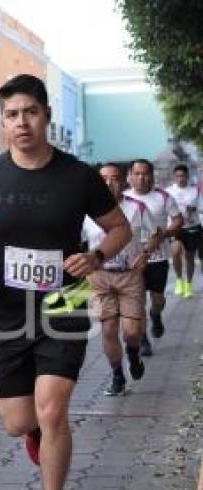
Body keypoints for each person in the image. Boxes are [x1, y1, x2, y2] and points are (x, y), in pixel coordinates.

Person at [0, 74, 131, 490]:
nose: (21, 122)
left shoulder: (77, 176)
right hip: (8, 310)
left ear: (46, 115)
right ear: (3, 123)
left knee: (53, 411)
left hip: (63, 303)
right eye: (11, 115)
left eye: (29, 112)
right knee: (18, 422)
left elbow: (120, 228)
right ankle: (36, 435)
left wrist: (94, 257)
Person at [83, 162, 154, 396]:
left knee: (132, 331)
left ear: (123, 181)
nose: (108, 183)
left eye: (114, 178)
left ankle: (133, 353)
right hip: (100, 277)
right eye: (103, 178)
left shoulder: (137, 208)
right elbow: (77, 241)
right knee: (108, 330)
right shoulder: (86, 212)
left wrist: (145, 254)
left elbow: (156, 233)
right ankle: (117, 375)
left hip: (129, 275)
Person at [123, 159, 183, 357]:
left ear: (152, 176)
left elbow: (178, 220)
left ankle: (156, 315)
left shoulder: (163, 197)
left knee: (157, 300)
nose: (142, 178)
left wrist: (164, 235)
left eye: (146, 173)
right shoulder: (122, 199)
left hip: (157, 258)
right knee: (137, 302)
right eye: (137, 173)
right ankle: (143, 340)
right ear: (129, 176)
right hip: (133, 260)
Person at [165, 164, 200, 298]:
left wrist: (193, 210)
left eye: (183, 176)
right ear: (174, 177)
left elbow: (200, 206)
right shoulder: (168, 192)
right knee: (175, 251)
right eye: (178, 176)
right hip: (175, 227)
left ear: (187, 176)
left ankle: (188, 285)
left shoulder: (194, 190)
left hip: (191, 227)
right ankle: (179, 280)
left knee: (189, 256)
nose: (180, 179)